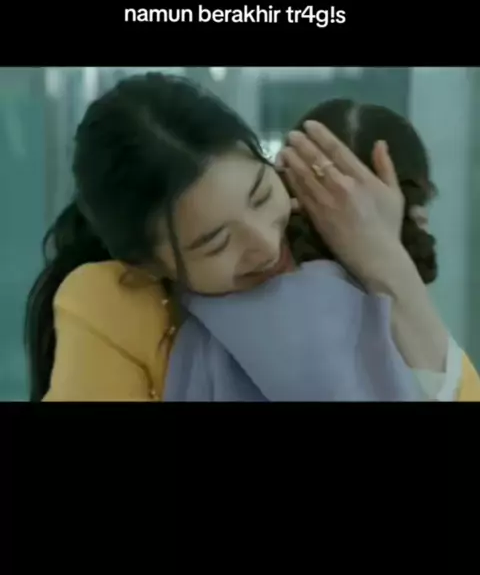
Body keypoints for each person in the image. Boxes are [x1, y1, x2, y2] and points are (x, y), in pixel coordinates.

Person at [24, 73, 478, 401]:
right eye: (216, 243)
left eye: (262, 195)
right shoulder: (116, 301)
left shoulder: (333, 253)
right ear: (147, 264)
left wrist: (386, 260)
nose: (265, 245)